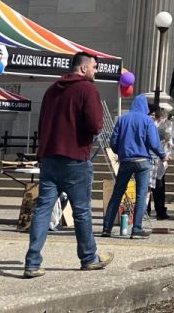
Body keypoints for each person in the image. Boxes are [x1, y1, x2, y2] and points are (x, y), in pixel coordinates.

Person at [23, 52, 110, 277]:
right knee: (81, 211)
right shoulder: (87, 89)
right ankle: (89, 257)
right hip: (75, 157)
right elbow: (95, 124)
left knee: (43, 209)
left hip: (49, 157)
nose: (95, 71)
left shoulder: (52, 89)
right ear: (83, 69)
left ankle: (32, 262)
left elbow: (42, 122)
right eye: (94, 67)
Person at [102, 92, 165, 238]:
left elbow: (113, 142)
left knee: (117, 194)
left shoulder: (122, 119)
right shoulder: (147, 121)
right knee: (141, 195)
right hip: (142, 161)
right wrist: (162, 155)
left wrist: (120, 152)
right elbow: (153, 142)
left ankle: (107, 228)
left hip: (125, 161)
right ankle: (136, 229)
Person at [150, 105, 174, 221]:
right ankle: (158, 210)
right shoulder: (157, 127)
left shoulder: (159, 126)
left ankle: (155, 210)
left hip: (159, 160)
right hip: (157, 159)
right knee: (157, 187)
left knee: (155, 187)